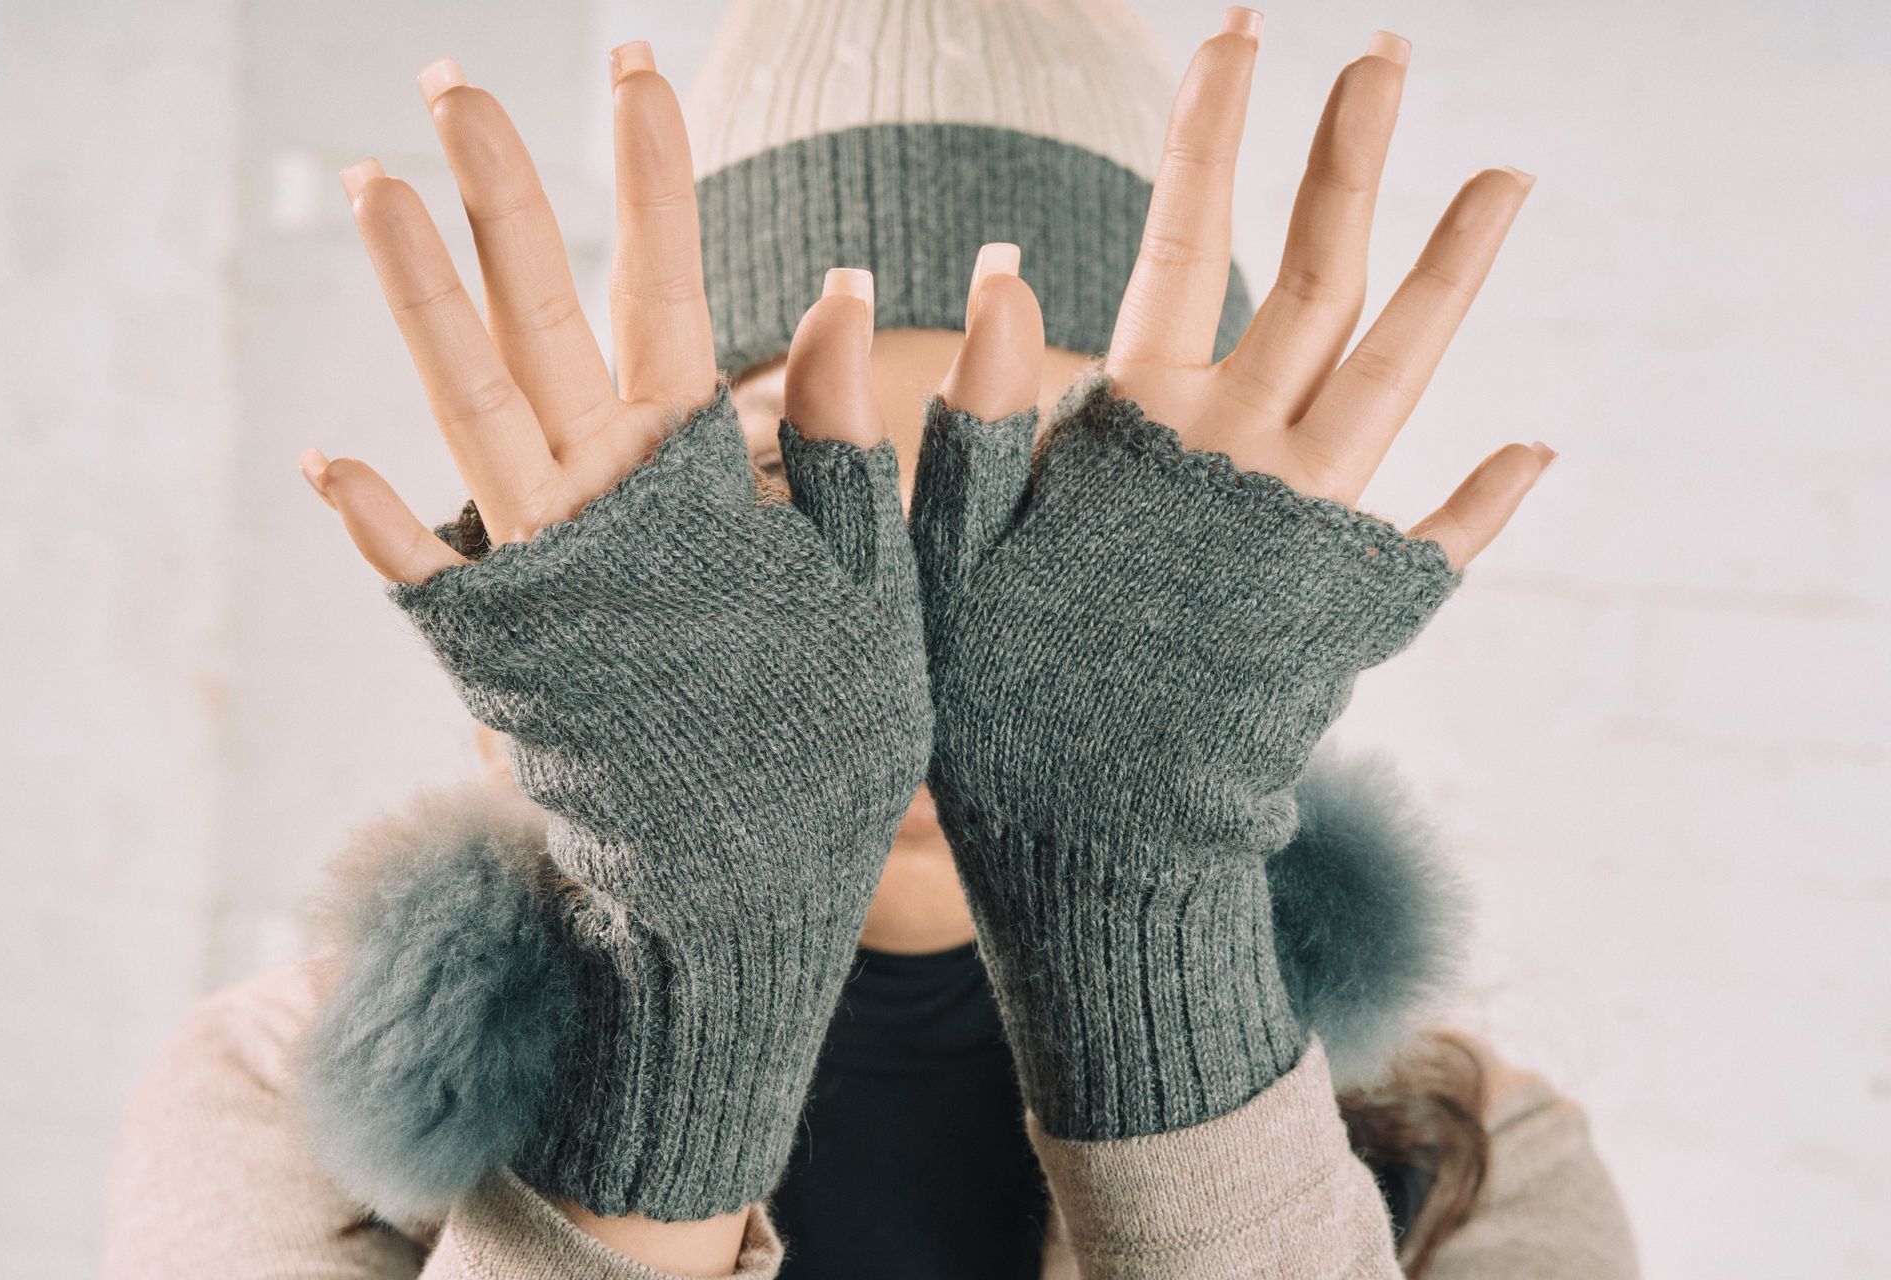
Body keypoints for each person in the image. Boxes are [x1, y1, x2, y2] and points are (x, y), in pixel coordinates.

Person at [101, 3, 1638, 1277]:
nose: (907, 596)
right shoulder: (271, 1104)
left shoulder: (1476, 1167)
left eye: (1027, 489)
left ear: (1210, 567)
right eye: (795, 481)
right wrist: (686, 989)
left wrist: (1147, 921)